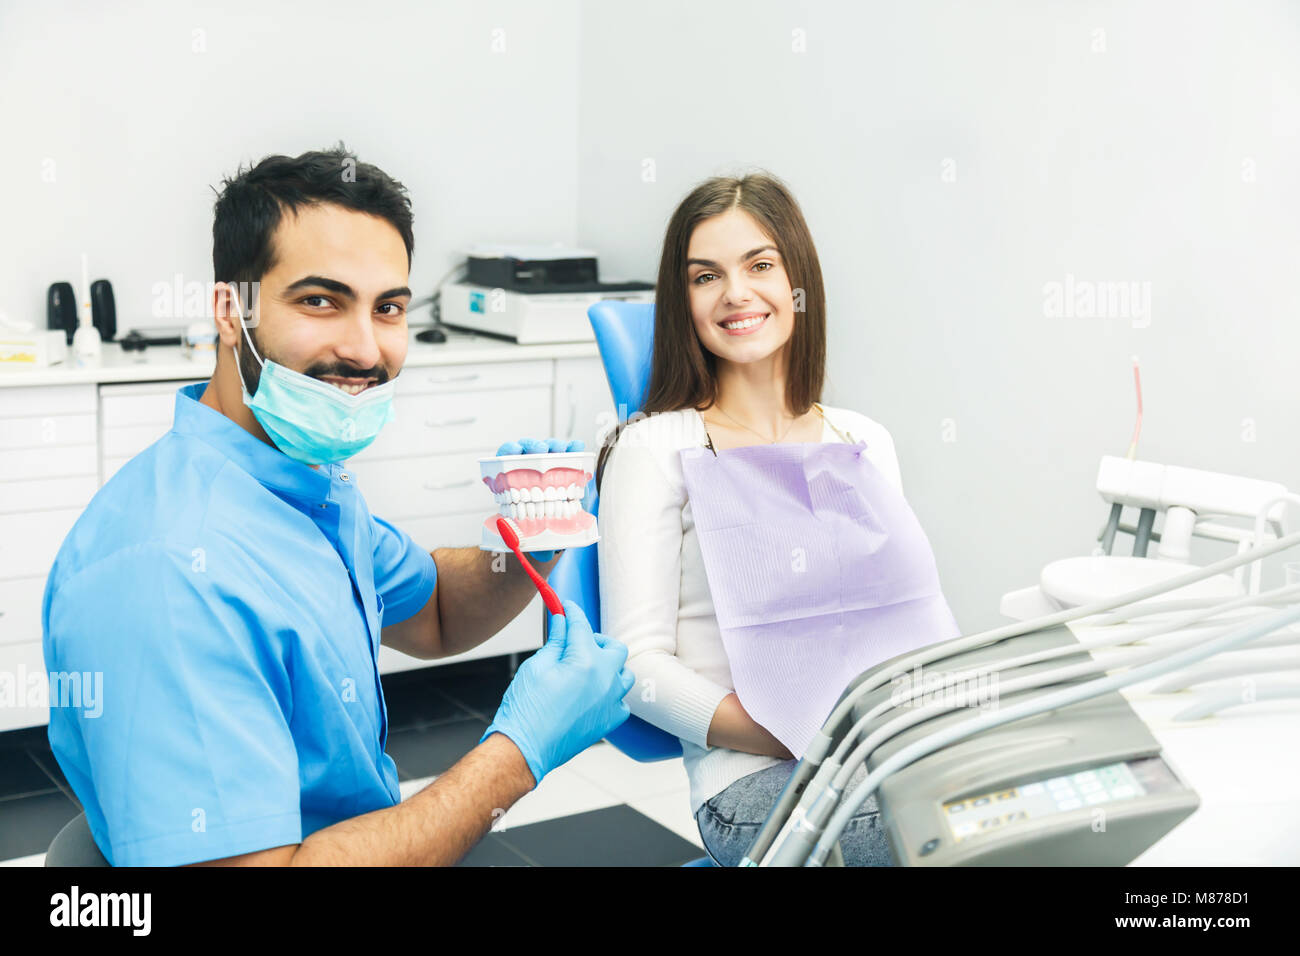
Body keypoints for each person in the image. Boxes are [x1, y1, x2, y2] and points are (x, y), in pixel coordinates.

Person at [41, 145, 633, 866]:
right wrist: (518, 754)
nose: (364, 348)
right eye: (320, 301)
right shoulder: (170, 570)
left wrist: (528, 541)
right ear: (231, 311)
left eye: (388, 309)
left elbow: (437, 610)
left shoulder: (300, 481)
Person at [596, 172, 961, 866]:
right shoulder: (656, 447)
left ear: (798, 283)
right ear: (684, 301)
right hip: (756, 779)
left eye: (760, 265)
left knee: (1029, 813)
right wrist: (808, 737)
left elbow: (905, 619)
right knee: (940, 848)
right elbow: (635, 668)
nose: (736, 293)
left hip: (887, 755)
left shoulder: (863, 441)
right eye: (707, 276)